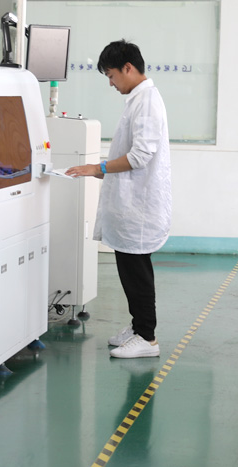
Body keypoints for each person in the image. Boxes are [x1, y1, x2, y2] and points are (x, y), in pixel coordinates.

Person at [66, 40, 172, 359]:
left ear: (128, 68)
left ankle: (147, 338)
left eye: (111, 75)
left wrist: (97, 168)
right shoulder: (138, 99)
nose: (111, 83)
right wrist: (98, 170)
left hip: (139, 207)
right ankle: (139, 327)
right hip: (132, 205)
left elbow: (139, 156)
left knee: (136, 272)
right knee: (129, 269)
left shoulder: (147, 101)